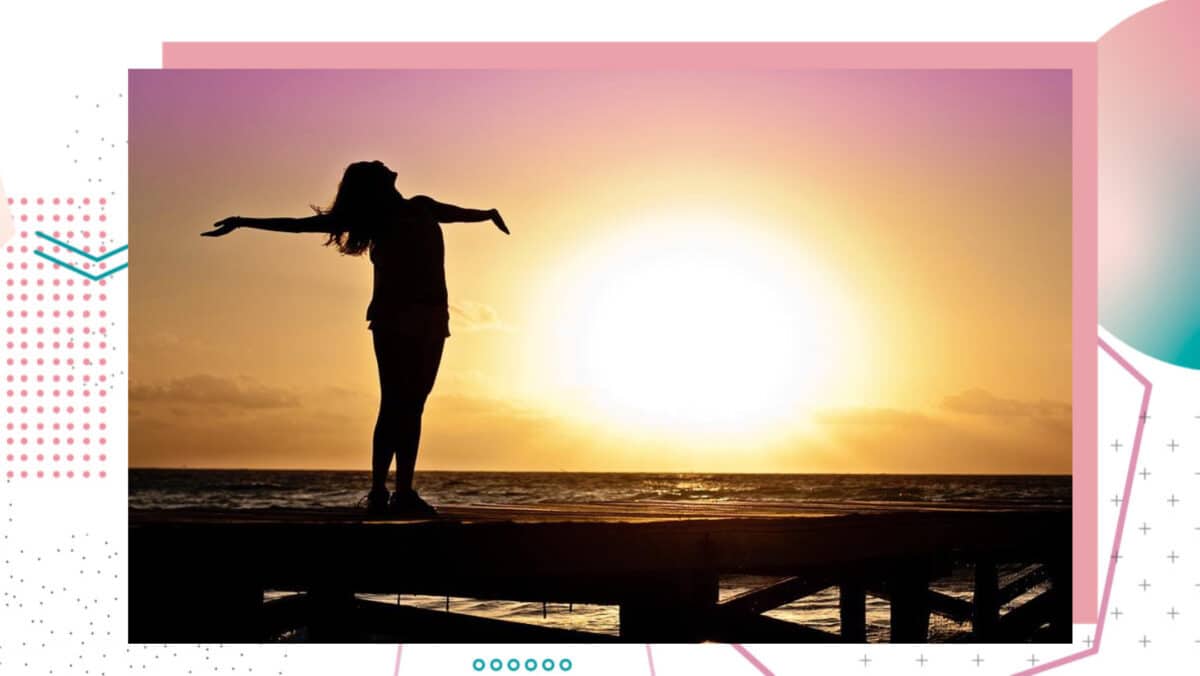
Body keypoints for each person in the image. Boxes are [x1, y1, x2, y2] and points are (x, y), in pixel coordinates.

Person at [202, 160, 509, 515]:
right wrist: (243, 222)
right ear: (374, 184)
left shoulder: (423, 206)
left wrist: (488, 214)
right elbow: (299, 225)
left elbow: (459, 214)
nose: (384, 163)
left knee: (414, 405)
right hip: (393, 317)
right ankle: (379, 491)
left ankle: (403, 492)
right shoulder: (374, 219)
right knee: (394, 403)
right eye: (376, 166)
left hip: (433, 318)